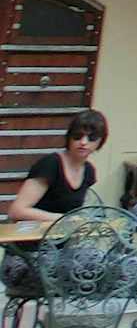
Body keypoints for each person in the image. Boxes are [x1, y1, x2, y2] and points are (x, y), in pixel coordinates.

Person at [3, 108, 108, 294]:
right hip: (25, 256)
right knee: (82, 273)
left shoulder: (89, 171)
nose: (83, 142)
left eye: (91, 138)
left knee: (108, 266)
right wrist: (62, 219)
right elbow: (17, 211)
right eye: (77, 136)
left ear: (100, 142)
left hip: (59, 252)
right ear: (69, 138)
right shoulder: (51, 164)